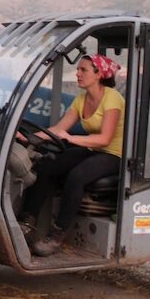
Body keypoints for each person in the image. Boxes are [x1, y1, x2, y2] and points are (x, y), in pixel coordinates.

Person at [19, 54, 125, 256]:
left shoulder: (113, 98)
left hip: (114, 155)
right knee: (47, 165)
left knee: (77, 176)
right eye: (78, 69)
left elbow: (104, 139)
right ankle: (27, 222)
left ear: (99, 74)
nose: (77, 74)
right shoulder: (81, 99)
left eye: (83, 70)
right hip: (92, 149)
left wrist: (72, 139)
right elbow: (59, 129)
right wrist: (28, 138)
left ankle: (57, 234)